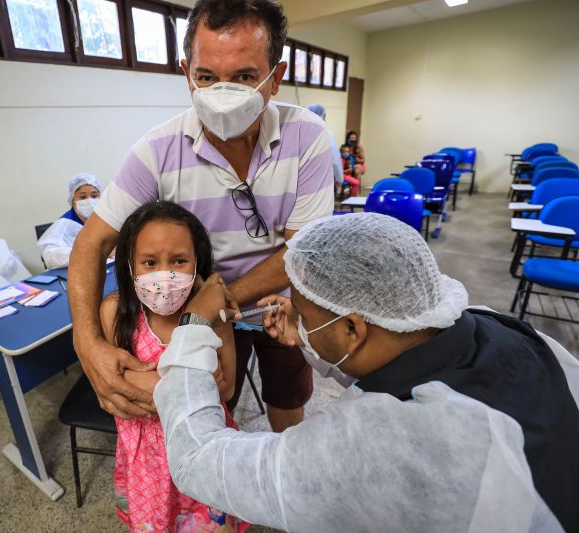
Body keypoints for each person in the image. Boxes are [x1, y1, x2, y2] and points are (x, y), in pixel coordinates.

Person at [153, 213, 579, 532]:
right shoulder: (503, 331)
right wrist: (312, 334)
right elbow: (389, 358)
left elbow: (197, 459)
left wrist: (192, 328)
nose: (294, 317)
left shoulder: (377, 448)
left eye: (302, 313)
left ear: (353, 329)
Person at [67, 0, 334, 433]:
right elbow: (91, 243)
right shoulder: (156, 152)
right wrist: (87, 342)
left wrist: (216, 300)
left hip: (279, 306)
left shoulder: (307, 138)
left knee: (288, 403)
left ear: (275, 78)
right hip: (199, 311)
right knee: (211, 409)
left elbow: (304, 252)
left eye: (243, 77)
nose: (222, 97)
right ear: (186, 72)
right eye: (207, 77)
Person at [99, 201, 244, 532]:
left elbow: (226, 388)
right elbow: (114, 382)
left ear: (197, 262)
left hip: (202, 445)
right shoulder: (115, 312)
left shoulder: (211, 311)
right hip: (146, 458)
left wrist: (143, 379)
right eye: (150, 262)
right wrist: (193, 381)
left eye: (179, 261)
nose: (164, 275)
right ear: (130, 264)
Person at [36, 173, 101, 270]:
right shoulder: (65, 224)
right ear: (72, 201)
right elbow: (50, 256)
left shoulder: (103, 218)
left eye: (94, 196)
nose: (90, 201)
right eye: (83, 197)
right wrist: (94, 252)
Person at [307, 104, 342, 186]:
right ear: (322, 116)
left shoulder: (301, 132)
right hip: (322, 178)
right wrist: (339, 178)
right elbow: (334, 158)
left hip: (303, 179)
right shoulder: (326, 134)